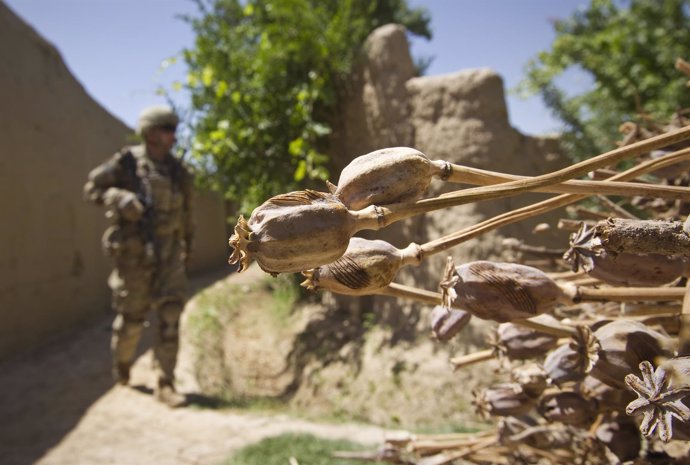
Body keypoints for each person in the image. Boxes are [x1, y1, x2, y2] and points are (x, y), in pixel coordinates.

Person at [84, 105, 194, 407]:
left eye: (174, 130)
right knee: (132, 320)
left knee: (170, 315)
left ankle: (165, 382)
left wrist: (187, 247)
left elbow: (186, 215)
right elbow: (93, 188)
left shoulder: (177, 171)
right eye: (167, 129)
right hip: (134, 255)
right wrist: (120, 197)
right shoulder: (126, 163)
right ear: (150, 133)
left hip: (169, 255)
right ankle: (122, 365)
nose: (173, 136)